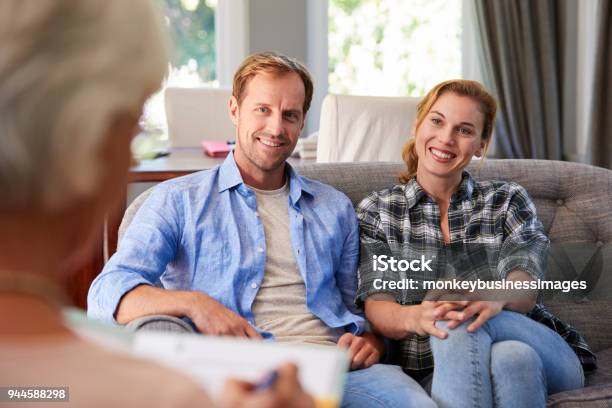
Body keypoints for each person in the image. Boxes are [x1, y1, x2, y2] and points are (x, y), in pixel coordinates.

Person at [0, 1, 313, 407]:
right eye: (134, 130)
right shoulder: (155, 393)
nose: (131, 159)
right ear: (89, 146)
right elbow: (107, 294)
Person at [88, 51, 436, 408]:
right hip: (243, 371)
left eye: (290, 115)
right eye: (262, 110)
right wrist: (195, 304)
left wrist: (373, 342)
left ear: (302, 124)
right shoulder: (176, 200)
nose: (276, 128)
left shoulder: (335, 207)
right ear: (235, 110)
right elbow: (105, 293)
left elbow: (358, 308)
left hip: (336, 369)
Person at [356, 79, 596, 408]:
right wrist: (420, 317)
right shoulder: (379, 211)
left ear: (481, 144)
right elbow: (378, 306)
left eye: (464, 130)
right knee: (512, 358)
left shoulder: (507, 200)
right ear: (418, 125)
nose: (446, 138)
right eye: (437, 121)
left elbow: (525, 284)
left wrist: (488, 295)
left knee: (458, 318)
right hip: (433, 369)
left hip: (544, 349)